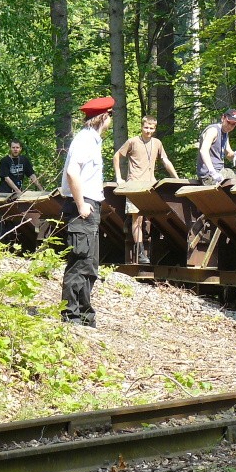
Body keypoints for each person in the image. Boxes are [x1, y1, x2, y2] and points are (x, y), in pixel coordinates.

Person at [60, 96, 114, 327]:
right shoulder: (84, 140)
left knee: (89, 264)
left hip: (90, 206)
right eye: (110, 115)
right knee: (79, 263)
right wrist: (81, 204)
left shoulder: (93, 140)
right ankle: (71, 316)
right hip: (82, 206)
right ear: (104, 117)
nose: (111, 120)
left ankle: (84, 316)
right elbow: (72, 172)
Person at [113, 116, 178, 265]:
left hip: (150, 186)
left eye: (151, 128)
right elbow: (116, 156)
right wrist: (119, 177)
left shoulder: (157, 143)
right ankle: (141, 252)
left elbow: (165, 161)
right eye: (146, 128)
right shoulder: (132, 142)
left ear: (155, 129)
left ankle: (159, 247)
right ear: (141, 127)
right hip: (135, 185)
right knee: (138, 218)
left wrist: (176, 178)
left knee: (157, 215)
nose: (148, 131)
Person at [197, 108, 236, 185]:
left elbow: (228, 154)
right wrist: (212, 172)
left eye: (233, 124)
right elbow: (203, 151)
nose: (230, 126)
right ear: (223, 118)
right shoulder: (213, 130)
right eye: (228, 122)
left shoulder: (225, 133)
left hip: (221, 172)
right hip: (209, 176)